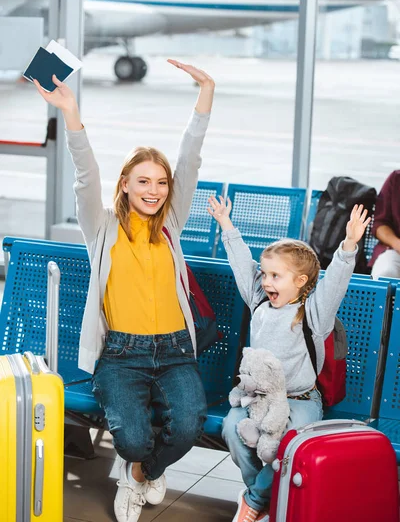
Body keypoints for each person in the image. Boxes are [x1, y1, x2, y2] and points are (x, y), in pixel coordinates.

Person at [33, 60, 215, 522]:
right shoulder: (103, 227)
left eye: (161, 183)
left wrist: (205, 94)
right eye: (143, 182)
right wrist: (70, 111)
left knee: (189, 426)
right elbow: (85, 173)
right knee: (131, 438)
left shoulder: (171, 224)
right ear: (126, 186)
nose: (153, 191)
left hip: (175, 349)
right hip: (121, 354)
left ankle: (139, 475)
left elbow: (190, 158)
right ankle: (136, 462)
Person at [207, 196, 370, 522]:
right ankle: (265, 497)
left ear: (300, 282)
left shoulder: (313, 313)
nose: (266, 281)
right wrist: (227, 226)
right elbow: (243, 265)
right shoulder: (259, 302)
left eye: (275, 276)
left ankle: (253, 502)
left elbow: (335, 283)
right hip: (258, 399)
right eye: (265, 274)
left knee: (288, 448)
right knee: (231, 429)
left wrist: (349, 245)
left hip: (300, 400)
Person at [370, 170, 400, 279]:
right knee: (385, 273)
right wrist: (397, 243)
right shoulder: (396, 178)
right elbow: (380, 223)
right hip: (395, 251)